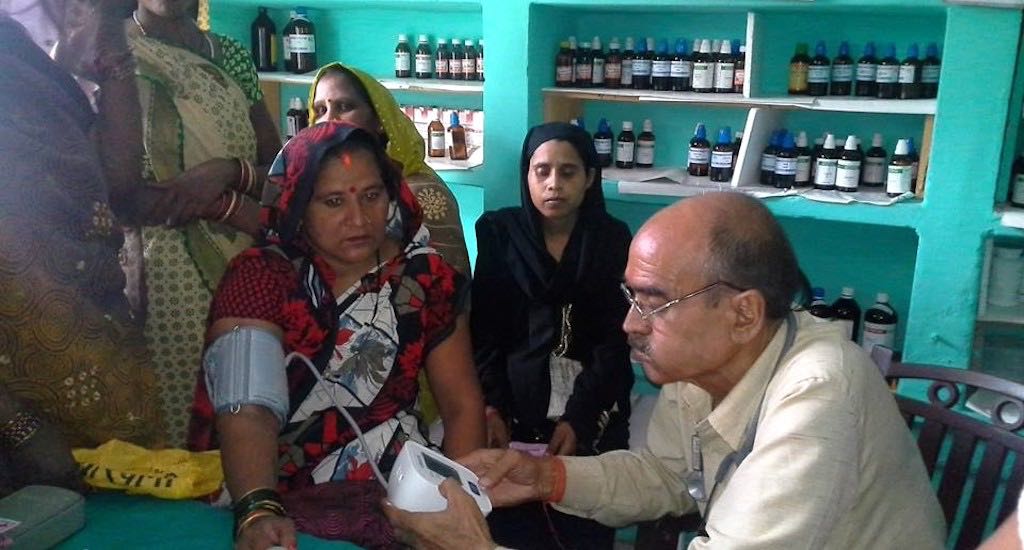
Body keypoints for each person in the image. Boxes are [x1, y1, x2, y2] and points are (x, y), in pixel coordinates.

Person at [385, 192, 947, 549]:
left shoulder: (817, 395)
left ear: (743, 312)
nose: (629, 323)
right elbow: (666, 477)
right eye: (630, 297)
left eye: (652, 302)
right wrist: (546, 478)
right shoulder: (703, 367)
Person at [187, 121, 486, 550]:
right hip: (272, 487)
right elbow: (246, 406)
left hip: (397, 487)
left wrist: (460, 509)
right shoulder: (262, 277)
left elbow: (461, 406)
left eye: (371, 195)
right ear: (297, 204)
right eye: (332, 202)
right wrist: (258, 506)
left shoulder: (425, 279)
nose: (359, 219)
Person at [0, 0, 165, 447]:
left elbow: (118, 181)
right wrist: (16, 425)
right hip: (20, 381)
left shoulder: (26, 57)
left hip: (92, 325)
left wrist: (108, 42)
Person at [124, 0, 282, 446]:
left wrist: (227, 172)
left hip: (242, 258)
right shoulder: (117, 53)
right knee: (174, 427)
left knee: (244, 404)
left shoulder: (228, 56)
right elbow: (113, 187)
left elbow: (276, 168)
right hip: (158, 270)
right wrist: (212, 203)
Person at [470, 122, 633, 549]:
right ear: (526, 176)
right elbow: (484, 330)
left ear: (590, 178)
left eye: (568, 172)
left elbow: (614, 342)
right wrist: (492, 407)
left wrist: (580, 417)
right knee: (505, 525)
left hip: (591, 402)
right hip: (511, 406)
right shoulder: (500, 234)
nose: (553, 184)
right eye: (541, 171)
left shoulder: (611, 239)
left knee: (583, 520)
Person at [308, 63, 470, 276]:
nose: (329, 119)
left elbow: (453, 295)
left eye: (345, 106)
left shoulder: (422, 194)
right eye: (320, 110)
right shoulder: (308, 189)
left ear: (379, 119)